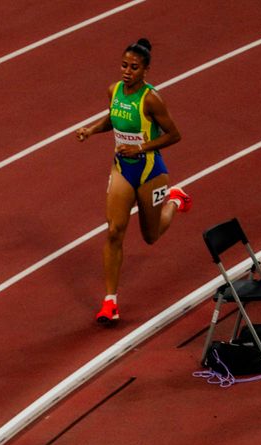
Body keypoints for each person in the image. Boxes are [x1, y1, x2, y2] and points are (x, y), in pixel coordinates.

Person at [76, 36, 188, 325]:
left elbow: (174, 135)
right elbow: (114, 119)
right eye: (124, 65)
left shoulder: (151, 99)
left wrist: (140, 148)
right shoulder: (114, 90)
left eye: (134, 67)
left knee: (151, 236)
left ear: (146, 70)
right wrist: (91, 130)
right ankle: (110, 302)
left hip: (151, 171)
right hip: (122, 170)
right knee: (114, 231)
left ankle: (175, 199)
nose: (127, 71)